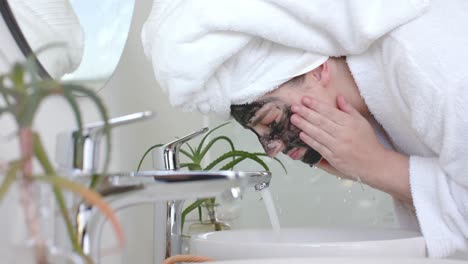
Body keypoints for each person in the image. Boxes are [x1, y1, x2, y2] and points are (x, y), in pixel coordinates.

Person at [142, 0, 468, 258]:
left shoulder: (430, 66)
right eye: (259, 134)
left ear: (317, 70)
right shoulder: (381, 103)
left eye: (269, 121)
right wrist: (367, 164)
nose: (271, 148)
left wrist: (378, 166)